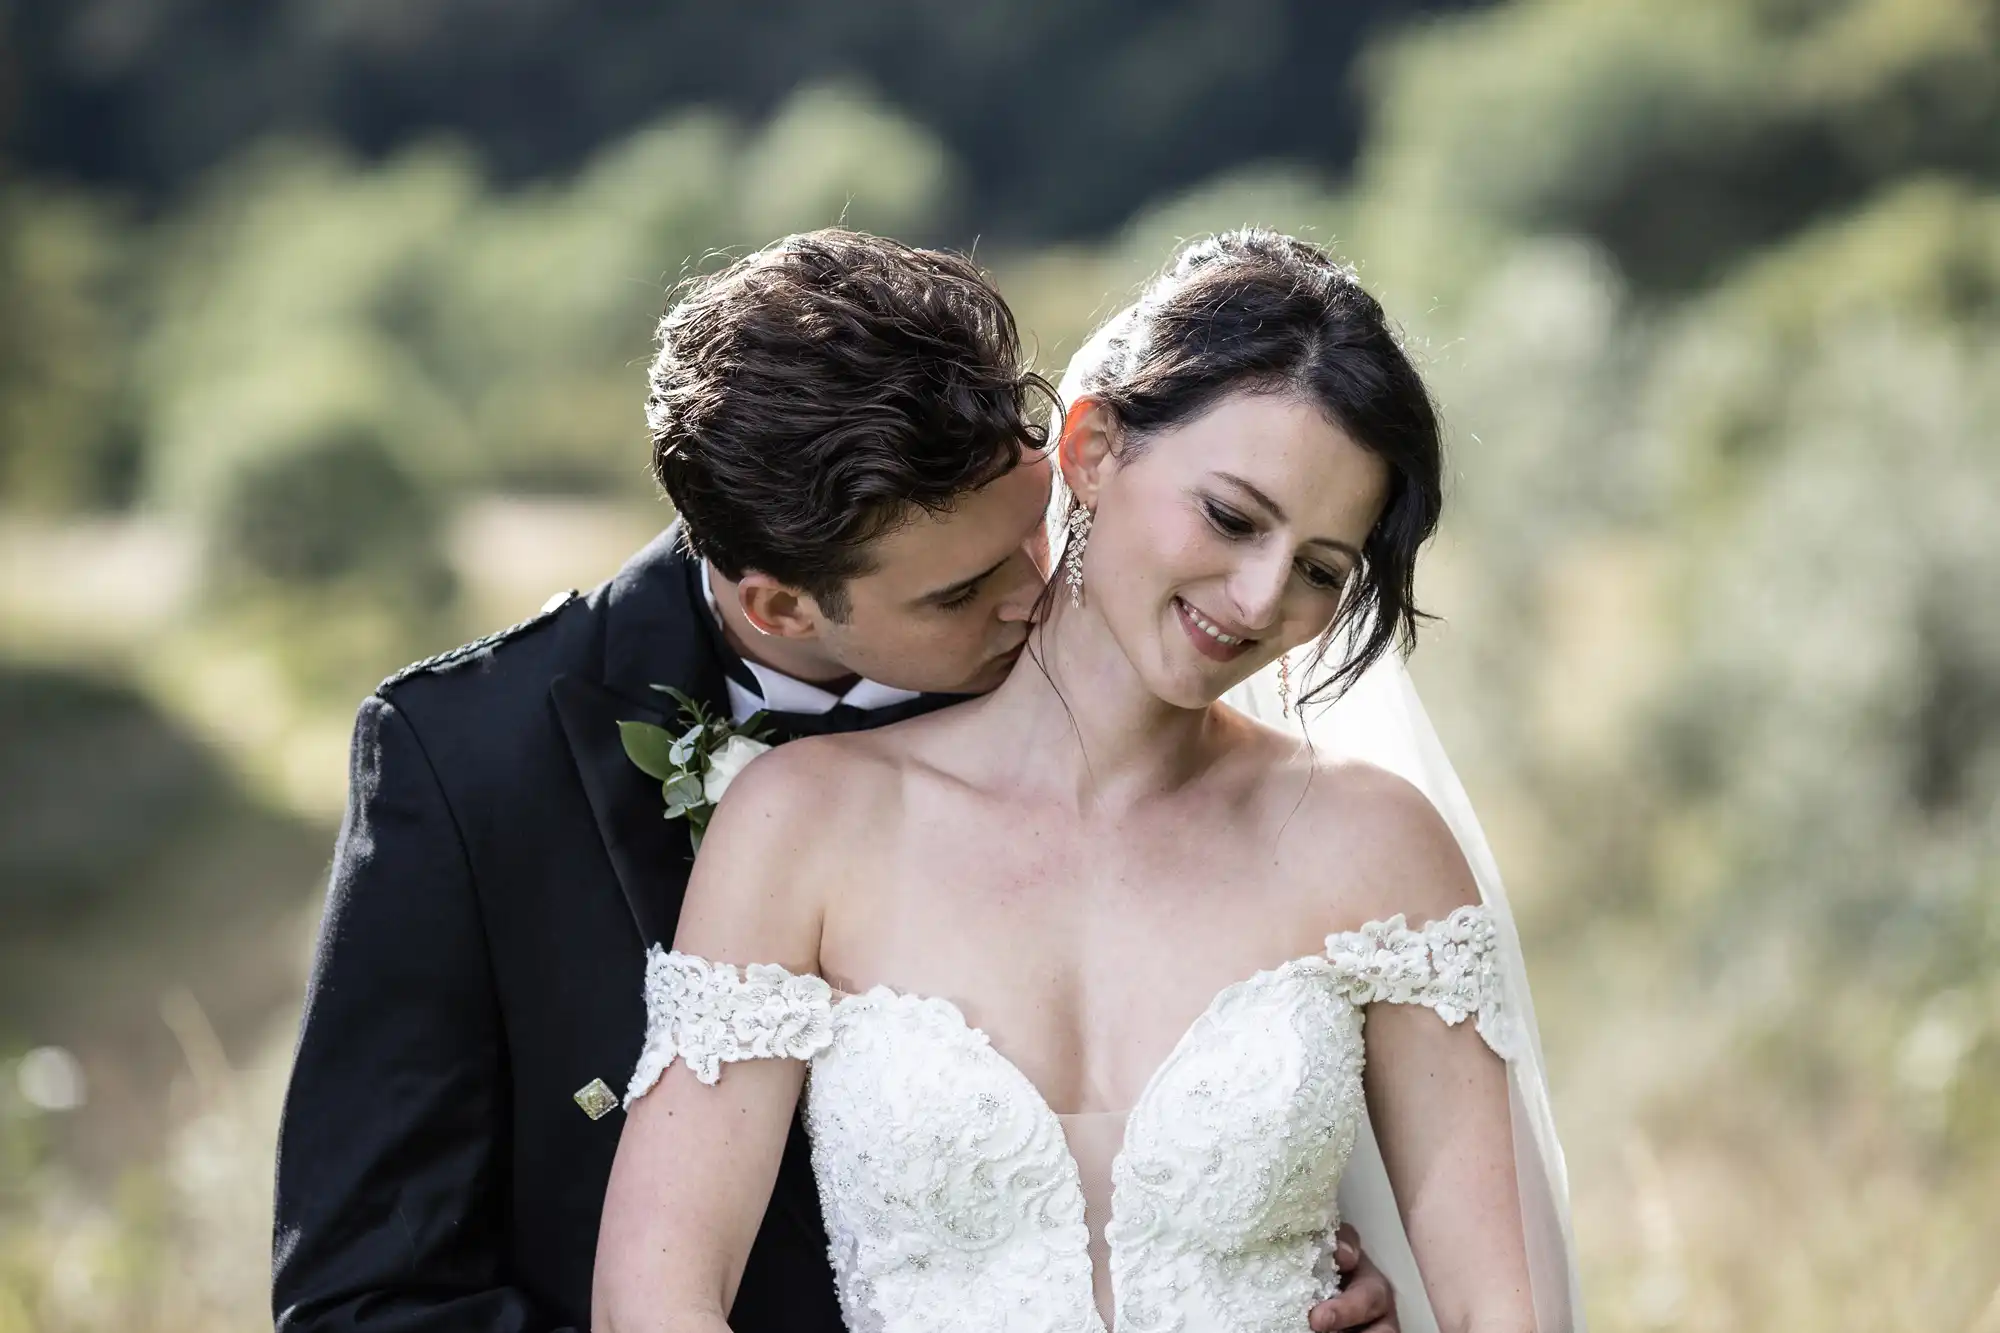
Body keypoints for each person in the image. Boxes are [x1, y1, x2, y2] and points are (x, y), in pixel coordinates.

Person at [271, 229, 1405, 1333]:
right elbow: (368, 1296)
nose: (1034, 599)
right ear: (780, 607)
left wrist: (1273, 1267)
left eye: (1039, 536)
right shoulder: (467, 759)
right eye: (959, 594)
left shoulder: (1108, 683)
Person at [592, 230, 1582, 1333]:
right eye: (1230, 516)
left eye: (1316, 570)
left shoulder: (1372, 846)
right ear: (1094, 447)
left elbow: (1511, 1315)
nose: (1257, 601)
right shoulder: (806, 825)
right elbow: (655, 1293)